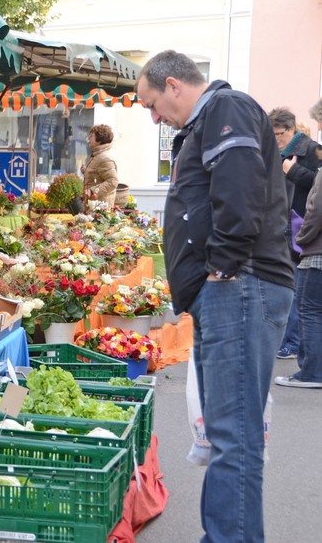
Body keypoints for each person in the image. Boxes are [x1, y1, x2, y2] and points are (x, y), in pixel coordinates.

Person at [136, 50, 293, 543]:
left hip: (240, 287)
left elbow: (239, 194)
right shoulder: (217, 118)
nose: (155, 117)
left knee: (233, 438)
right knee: (230, 435)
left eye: (152, 104)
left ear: (174, 85)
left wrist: (221, 267)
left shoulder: (226, 109)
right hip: (232, 289)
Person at [267, 107, 321, 361]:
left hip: (302, 226)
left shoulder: (309, 150)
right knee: (290, 287)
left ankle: (293, 343)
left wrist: (292, 170)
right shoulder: (279, 153)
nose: (276, 138)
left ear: (291, 130)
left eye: (279, 134)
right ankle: (288, 341)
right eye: (273, 134)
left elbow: (316, 183)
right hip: (284, 225)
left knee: (299, 292)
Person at [81, 124, 119, 205]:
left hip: (101, 207)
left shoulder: (105, 158)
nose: (88, 139)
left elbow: (112, 182)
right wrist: (86, 171)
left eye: (91, 136)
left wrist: (92, 191)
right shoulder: (98, 155)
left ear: (99, 139)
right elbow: (98, 175)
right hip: (94, 205)